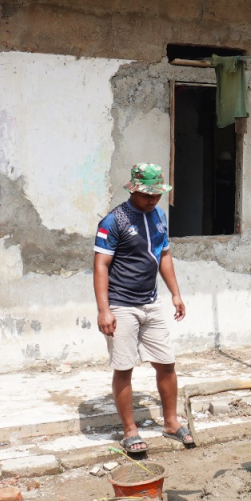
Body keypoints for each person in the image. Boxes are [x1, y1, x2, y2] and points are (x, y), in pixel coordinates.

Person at [94, 163, 192, 453]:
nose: (153, 200)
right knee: (124, 368)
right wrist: (104, 310)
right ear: (133, 189)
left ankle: (171, 422)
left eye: (157, 194)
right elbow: (101, 265)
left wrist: (175, 293)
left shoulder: (159, 216)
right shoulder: (114, 221)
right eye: (147, 195)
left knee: (166, 363)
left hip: (150, 303)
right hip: (121, 305)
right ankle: (130, 430)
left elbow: (164, 255)